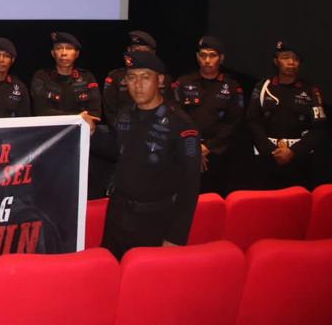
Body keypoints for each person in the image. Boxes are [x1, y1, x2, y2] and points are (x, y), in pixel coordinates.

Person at [87, 51, 201, 260]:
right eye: (132, 77)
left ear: (160, 80)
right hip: (118, 215)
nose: (137, 85)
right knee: (110, 270)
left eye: (145, 77)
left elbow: (190, 186)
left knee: (144, 278)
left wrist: (176, 237)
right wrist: (92, 133)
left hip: (153, 221)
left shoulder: (181, 125)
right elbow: (117, 148)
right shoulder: (125, 114)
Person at [247, 41, 328, 190]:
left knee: (297, 201)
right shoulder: (263, 87)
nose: (291, 62)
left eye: (295, 59)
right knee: (265, 201)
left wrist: (293, 152)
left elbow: (318, 127)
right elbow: (252, 121)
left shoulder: (310, 90)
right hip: (267, 157)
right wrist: (271, 151)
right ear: (276, 61)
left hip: (299, 159)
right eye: (285, 57)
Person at [171, 36, 245, 194]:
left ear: (221, 58)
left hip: (218, 154)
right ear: (197, 57)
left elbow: (234, 123)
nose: (207, 60)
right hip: (186, 150)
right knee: (184, 198)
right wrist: (193, 146)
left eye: (212, 55)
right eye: (203, 55)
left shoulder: (232, 87)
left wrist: (207, 147)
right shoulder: (183, 82)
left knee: (214, 199)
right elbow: (175, 116)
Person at [102, 30, 173, 129]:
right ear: (129, 50)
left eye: (145, 52)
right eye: (136, 51)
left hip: (158, 128)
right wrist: (122, 130)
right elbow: (110, 111)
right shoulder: (116, 76)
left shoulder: (163, 78)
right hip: (123, 129)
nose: (140, 56)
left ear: (153, 53)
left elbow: (170, 107)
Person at [30, 32, 102, 120]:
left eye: (69, 48)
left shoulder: (87, 78)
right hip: (51, 127)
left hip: (82, 127)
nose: (64, 53)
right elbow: (41, 111)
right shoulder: (42, 77)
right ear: (53, 53)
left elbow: (95, 113)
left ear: (77, 54)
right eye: (59, 48)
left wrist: (81, 120)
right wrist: (77, 118)